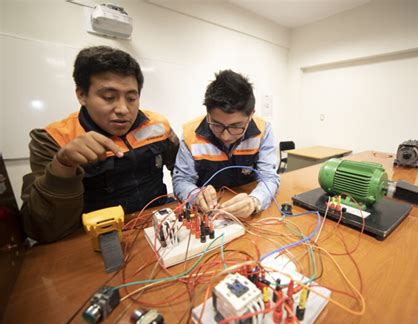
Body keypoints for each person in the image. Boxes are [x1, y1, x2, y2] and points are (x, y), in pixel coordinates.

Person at [21, 46, 179, 243]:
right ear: (81, 95)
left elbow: (181, 171)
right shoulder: (53, 139)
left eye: (132, 98)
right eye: (108, 97)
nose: (123, 109)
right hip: (96, 240)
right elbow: (39, 229)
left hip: (160, 224)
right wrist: (63, 165)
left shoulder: (158, 125)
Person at [172, 70, 279, 218]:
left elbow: (269, 178)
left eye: (236, 126)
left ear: (251, 114)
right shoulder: (191, 133)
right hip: (208, 214)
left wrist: (255, 201)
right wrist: (196, 196)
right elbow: (181, 180)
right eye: (216, 124)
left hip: (247, 217)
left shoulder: (263, 130)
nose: (225, 136)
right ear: (208, 113)